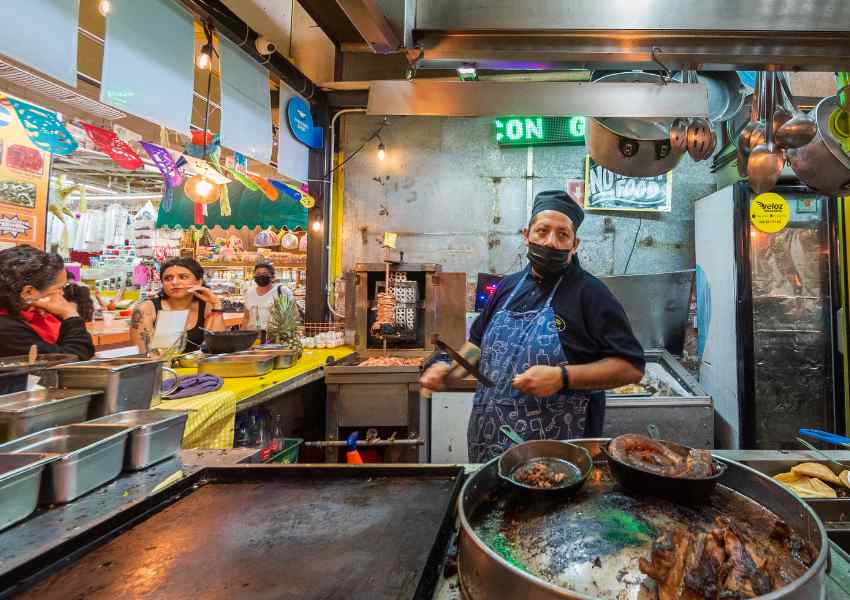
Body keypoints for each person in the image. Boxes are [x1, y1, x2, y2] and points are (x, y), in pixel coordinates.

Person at [420, 190, 645, 462]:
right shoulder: (508, 286)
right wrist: (450, 371)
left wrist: (563, 377)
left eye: (562, 235)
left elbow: (631, 368)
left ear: (575, 244)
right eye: (542, 231)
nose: (550, 242)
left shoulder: (590, 293)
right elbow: (476, 346)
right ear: (526, 234)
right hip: (490, 443)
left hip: (559, 454)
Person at [0, 246, 95, 359]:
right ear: (28, 292)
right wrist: (70, 314)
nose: (62, 294)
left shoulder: (29, 314)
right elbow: (71, 359)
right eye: (59, 288)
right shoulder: (7, 330)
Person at [130, 258, 225, 353]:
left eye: (183, 277)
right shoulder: (145, 309)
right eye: (168, 278)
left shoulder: (206, 307)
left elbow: (217, 348)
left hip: (199, 365)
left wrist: (216, 305)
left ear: (198, 282)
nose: (174, 282)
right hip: (161, 366)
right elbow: (145, 356)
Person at [241, 262, 295, 335]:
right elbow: (246, 317)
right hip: (253, 337)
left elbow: (292, 315)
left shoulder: (282, 291)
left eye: (265, 274)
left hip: (275, 337)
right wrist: (242, 333)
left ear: (272, 277)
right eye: (258, 274)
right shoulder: (249, 293)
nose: (261, 276)